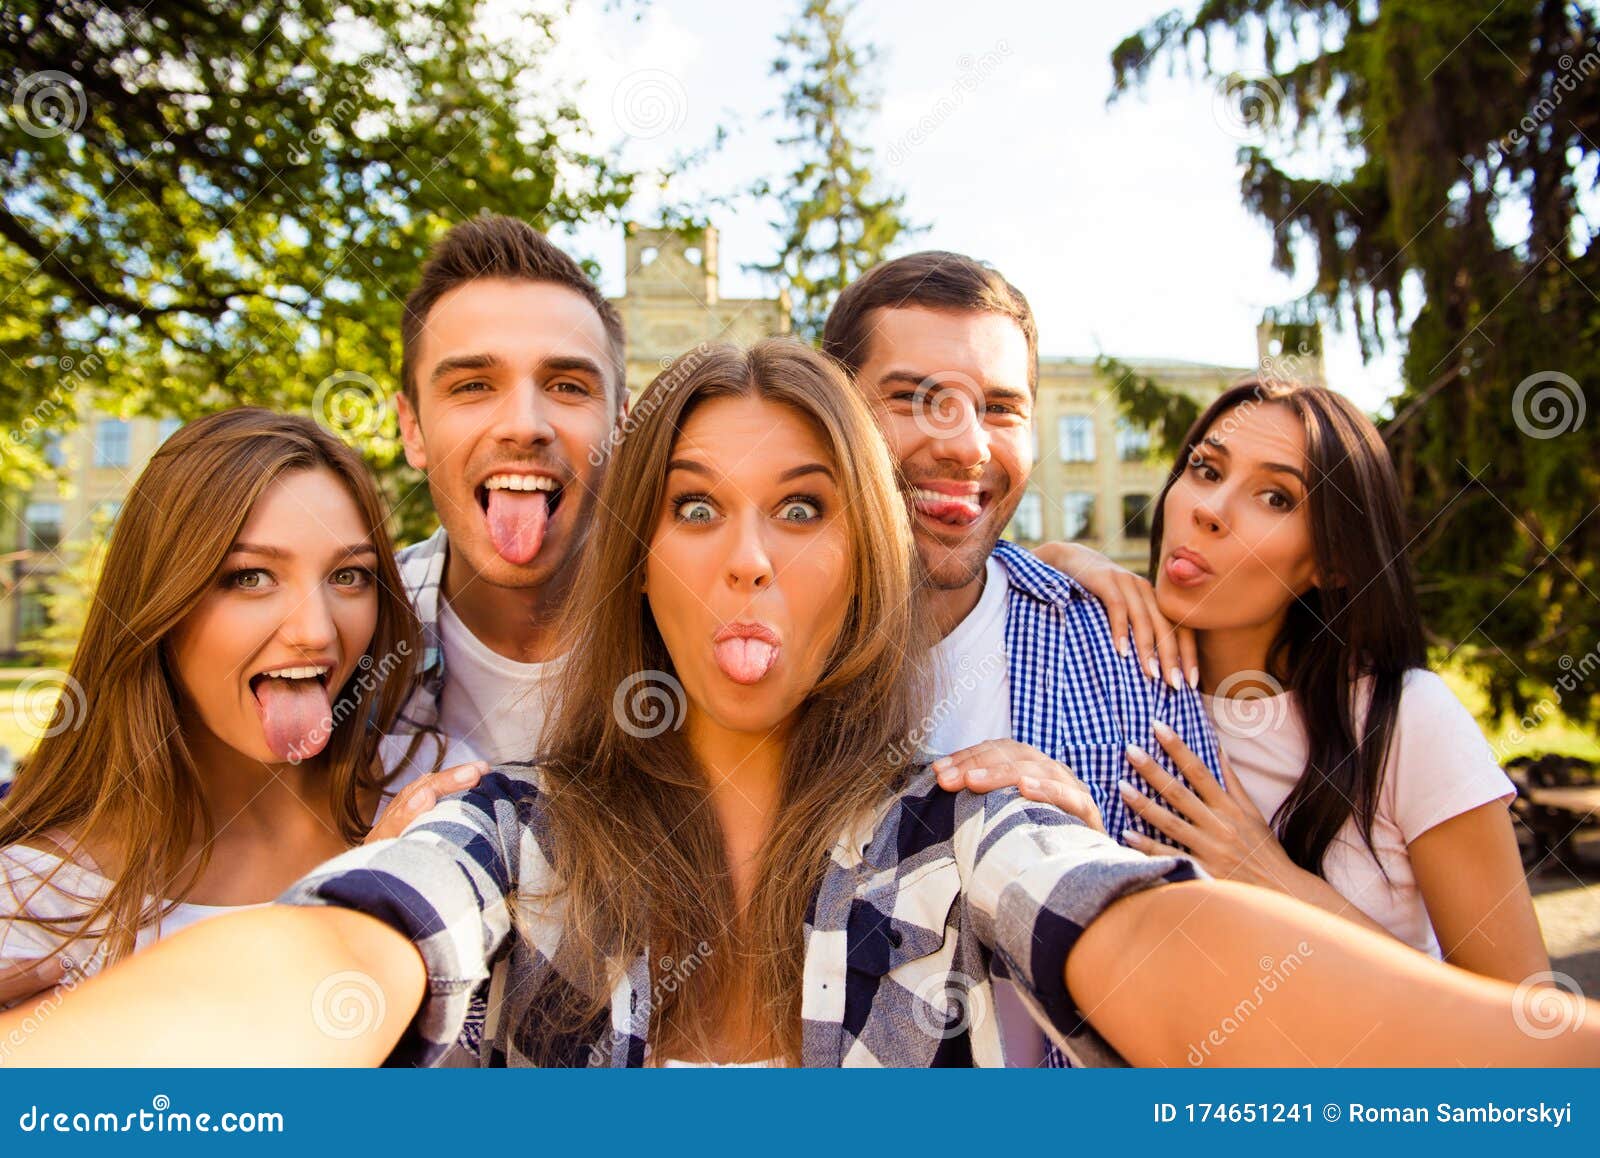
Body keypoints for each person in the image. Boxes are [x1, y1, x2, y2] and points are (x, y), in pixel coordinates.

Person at [5, 341, 1593, 1068]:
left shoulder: (977, 831)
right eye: (693, 508)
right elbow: (328, 958)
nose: (747, 561)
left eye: (805, 508)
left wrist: (1545, 1059)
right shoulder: (497, 836)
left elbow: (1161, 944)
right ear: (639, 558)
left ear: (868, 562)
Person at [1033, 378, 1548, 984]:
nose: (1209, 509)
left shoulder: (1402, 718)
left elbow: (1520, 1016)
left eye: (1275, 497)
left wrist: (1273, 880)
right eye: (1204, 469)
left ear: (1332, 562)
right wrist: (1067, 559)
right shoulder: (1106, 677)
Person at [0, 410, 480, 996]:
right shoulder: (30, 900)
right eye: (250, 577)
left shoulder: (438, 795)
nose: (316, 631)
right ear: (159, 601)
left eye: (349, 576)